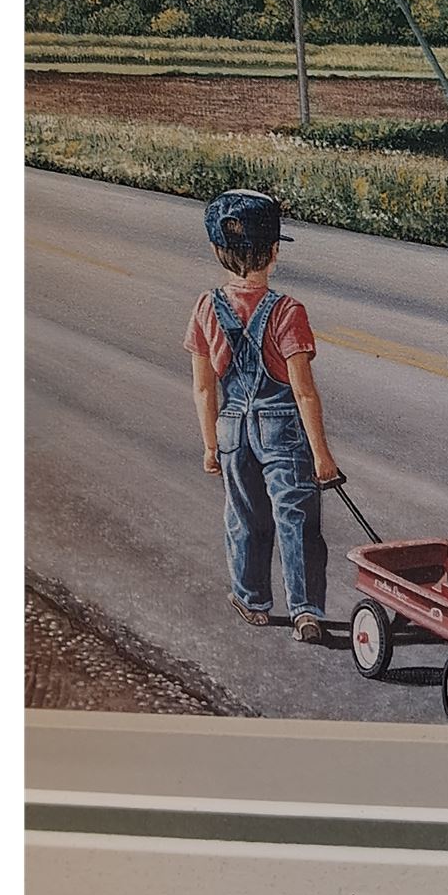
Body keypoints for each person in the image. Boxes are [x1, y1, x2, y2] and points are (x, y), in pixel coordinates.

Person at [184, 190, 340, 642]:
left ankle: (251, 599)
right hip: (282, 428)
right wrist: (322, 455)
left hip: (232, 428)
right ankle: (305, 610)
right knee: (297, 517)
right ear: (274, 252)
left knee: (245, 516)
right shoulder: (288, 312)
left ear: (216, 250)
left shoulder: (205, 307)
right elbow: (304, 392)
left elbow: (203, 387)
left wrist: (210, 445)